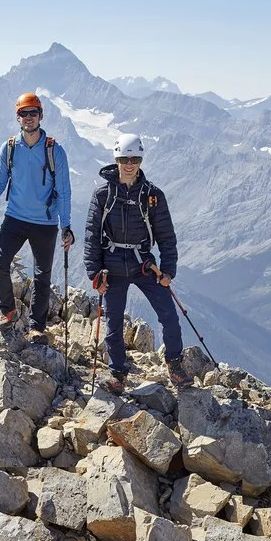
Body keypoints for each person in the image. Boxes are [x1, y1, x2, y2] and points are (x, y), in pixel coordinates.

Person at [0, 88, 73, 338]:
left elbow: (64, 192)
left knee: (42, 276)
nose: (28, 117)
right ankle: (8, 311)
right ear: (18, 117)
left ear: (41, 115)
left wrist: (66, 227)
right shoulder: (9, 148)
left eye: (33, 112)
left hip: (45, 223)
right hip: (14, 218)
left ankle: (37, 327)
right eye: (24, 113)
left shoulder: (55, 151)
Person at [82, 135, 190, 390]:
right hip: (113, 268)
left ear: (140, 160)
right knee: (114, 323)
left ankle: (174, 365)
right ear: (116, 159)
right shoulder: (102, 195)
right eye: (124, 159)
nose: (129, 164)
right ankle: (118, 374)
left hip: (144, 266)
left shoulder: (153, 195)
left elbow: (166, 235)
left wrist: (168, 270)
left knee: (169, 317)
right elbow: (91, 234)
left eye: (135, 159)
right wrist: (94, 273)